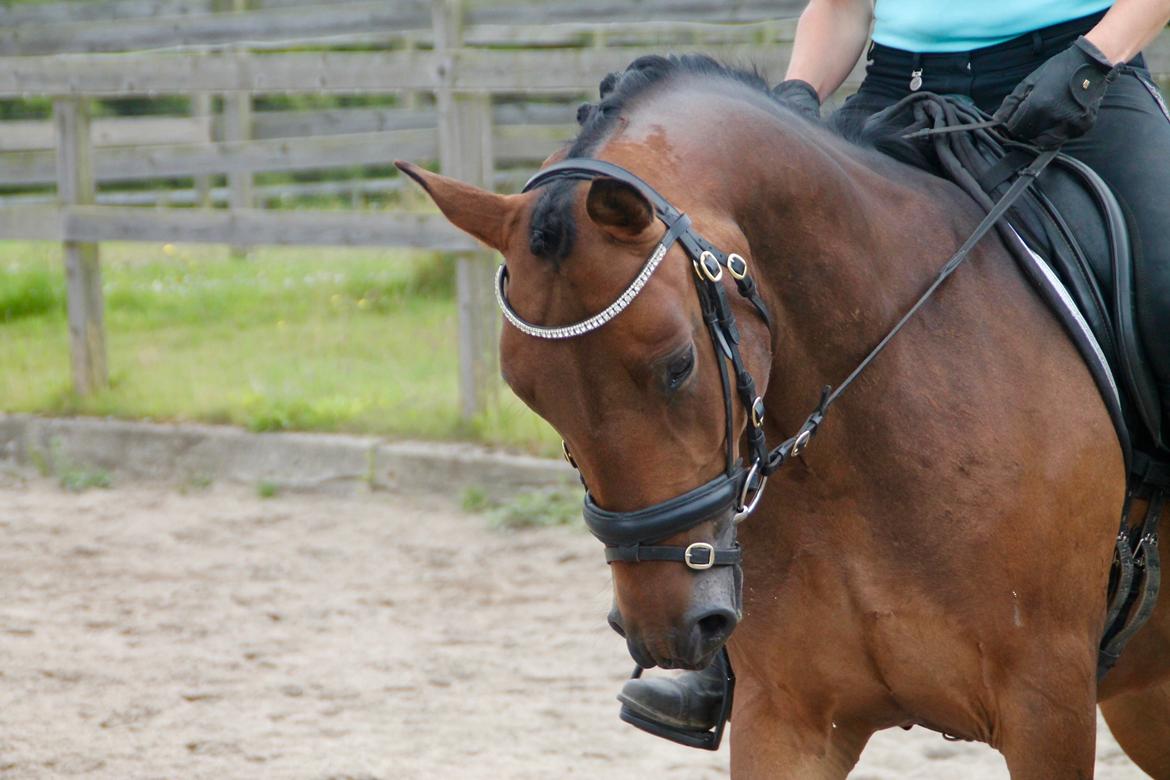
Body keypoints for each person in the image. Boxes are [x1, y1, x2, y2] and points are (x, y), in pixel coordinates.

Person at [617, 0, 1170, 736]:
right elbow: (844, 6)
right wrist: (799, 95)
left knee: (1167, 288)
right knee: (758, 317)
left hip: (1078, 80)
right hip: (896, 96)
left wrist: (1096, 57)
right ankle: (734, 648)